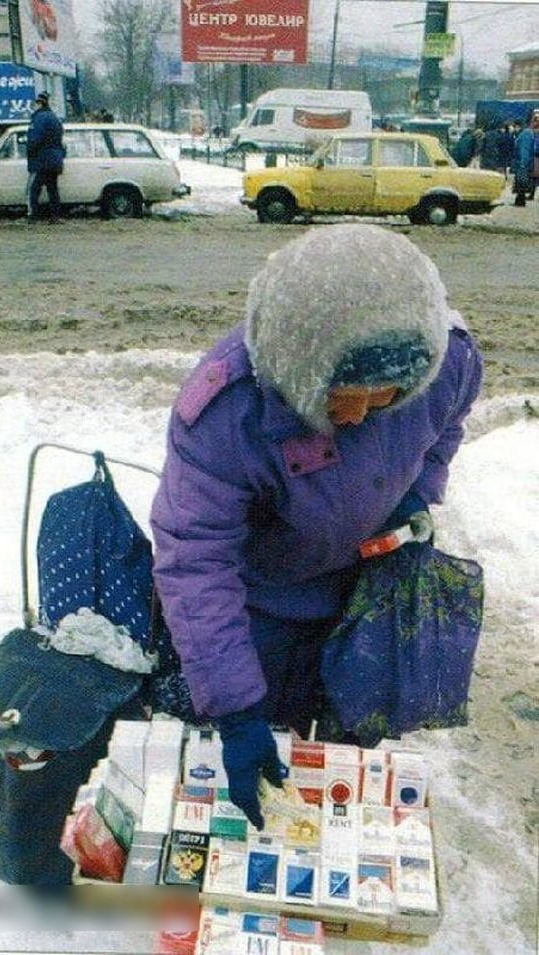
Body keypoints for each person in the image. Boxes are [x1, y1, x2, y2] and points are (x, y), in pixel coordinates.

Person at [150, 225, 483, 829]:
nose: (358, 417)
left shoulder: (450, 362)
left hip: (366, 589)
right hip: (263, 602)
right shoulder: (230, 412)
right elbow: (195, 557)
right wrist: (234, 708)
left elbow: (447, 426)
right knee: (262, 751)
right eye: (341, 398)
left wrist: (417, 496)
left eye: (384, 400)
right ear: (300, 372)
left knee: (345, 752)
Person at [27, 91, 65, 223]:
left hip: (41, 160)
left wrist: (29, 152)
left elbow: (34, 139)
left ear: (39, 104)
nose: (33, 107)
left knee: (33, 189)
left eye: (35, 104)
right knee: (52, 189)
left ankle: (33, 216)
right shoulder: (54, 118)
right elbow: (60, 139)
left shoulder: (39, 118)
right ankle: (55, 216)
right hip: (55, 159)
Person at [512, 109, 539, 207]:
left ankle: (520, 200)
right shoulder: (527, 134)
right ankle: (520, 200)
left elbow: (526, 150)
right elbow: (525, 150)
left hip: (523, 163)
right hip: (523, 163)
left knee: (521, 181)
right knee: (521, 181)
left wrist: (524, 163)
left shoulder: (526, 134)